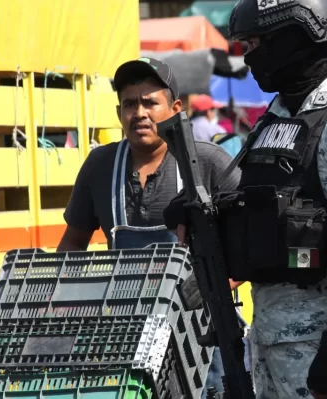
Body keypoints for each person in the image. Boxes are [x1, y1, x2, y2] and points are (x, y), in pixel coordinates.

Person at [165, 1, 327, 398]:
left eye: (255, 42)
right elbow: (265, 220)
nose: (248, 56)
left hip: (319, 340)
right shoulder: (273, 120)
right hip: (267, 339)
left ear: (292, 38)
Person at [56, 57, 245, 395]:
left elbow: (253, 243)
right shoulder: (100, 167)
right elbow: (72, 244)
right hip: (128, 336)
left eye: (149, 102)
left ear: (174, 108)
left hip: (201, 334)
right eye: (129, 103)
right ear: (119, 113)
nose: (139, 112)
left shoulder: (209, 162)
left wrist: (210, 287)